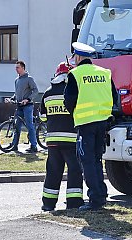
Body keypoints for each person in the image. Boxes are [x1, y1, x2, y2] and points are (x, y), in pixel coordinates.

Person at [64, 42, 118, 211]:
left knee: (86, 161)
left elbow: (69, 100)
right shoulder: (105, 73)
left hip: (85, 124)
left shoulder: (75, 74)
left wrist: (76, 113)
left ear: (78, 57)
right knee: (96, 160)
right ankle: (101, 194)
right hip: (103, 122)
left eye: (74, 57)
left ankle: (95, 199)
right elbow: (114, 97)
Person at [40, 62, 84, 211]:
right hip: (71, 139)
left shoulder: (47, 92)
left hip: (52, 141)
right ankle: (74, 203)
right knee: (75, 170)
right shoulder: (73, 91)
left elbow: (43, 117)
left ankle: (48, 203)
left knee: (53, 172)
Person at [5, 61, 39, 153]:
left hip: (27, 106)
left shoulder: (29, 79)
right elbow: (16, 94)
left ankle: (34, 146)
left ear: (23, 68)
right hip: (19, 106)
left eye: (18, 67)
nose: (16, 69)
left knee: (29, 125)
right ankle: (14, 145)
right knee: (17, 126)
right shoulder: (17, 80)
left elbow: (35, 90)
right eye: (16, 67)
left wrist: (27, 99)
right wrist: (11, 99)